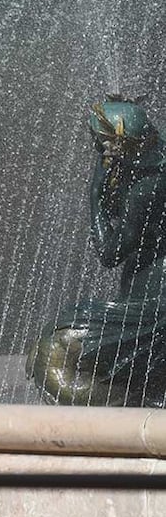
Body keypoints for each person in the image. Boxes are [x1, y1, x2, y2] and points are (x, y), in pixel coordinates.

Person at [27, 96, 166, 406]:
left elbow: (110, 253)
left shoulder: (148, 187)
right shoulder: (155, 159)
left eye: (99, 144)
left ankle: (131, 411)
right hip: (148, 292)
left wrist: (94, 195)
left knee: (52, 350)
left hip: (157, 305)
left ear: (117, 147)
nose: (95, 150)